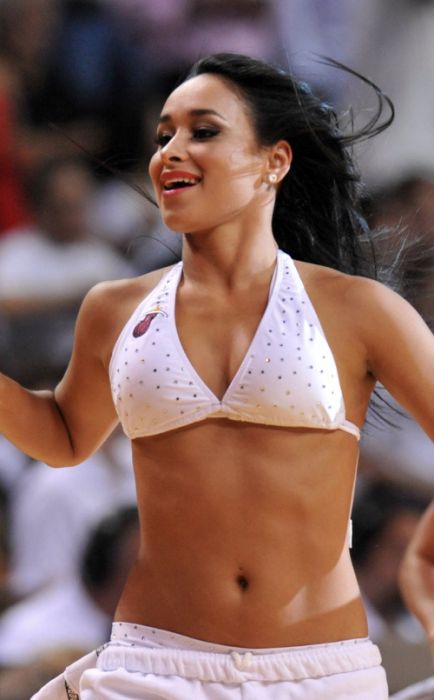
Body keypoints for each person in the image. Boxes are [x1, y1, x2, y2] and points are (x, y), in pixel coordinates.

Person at [1, 52, 431, 698]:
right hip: (153, 664)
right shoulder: (114, 308)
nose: (171, 151)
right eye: (163, 136)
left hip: (320, 671)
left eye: (203, 131)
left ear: (274, 162)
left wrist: (423, 556)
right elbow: (64, 436)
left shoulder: (359, 308)